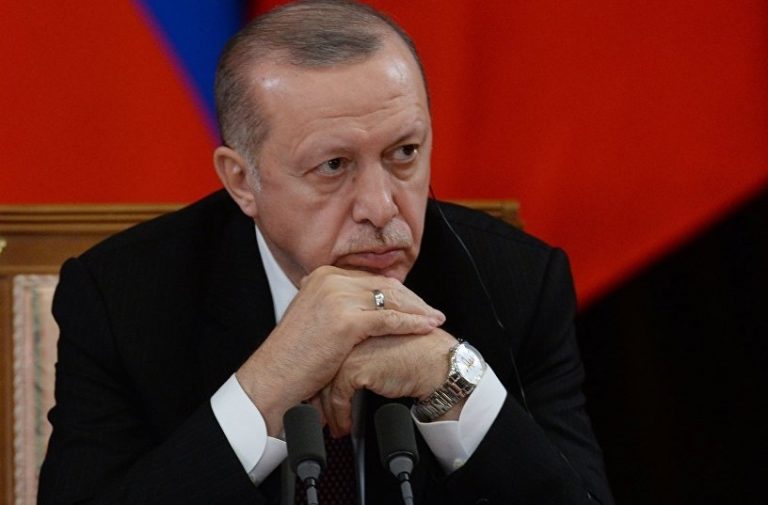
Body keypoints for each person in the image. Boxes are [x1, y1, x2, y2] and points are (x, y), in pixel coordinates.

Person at [38, 1, 614, 504]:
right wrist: (266, 388)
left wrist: (449, 378)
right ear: (242, 180)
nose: (381, 208)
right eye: (333, 165)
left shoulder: (516, 282)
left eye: (404, 153)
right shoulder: (123, 298)